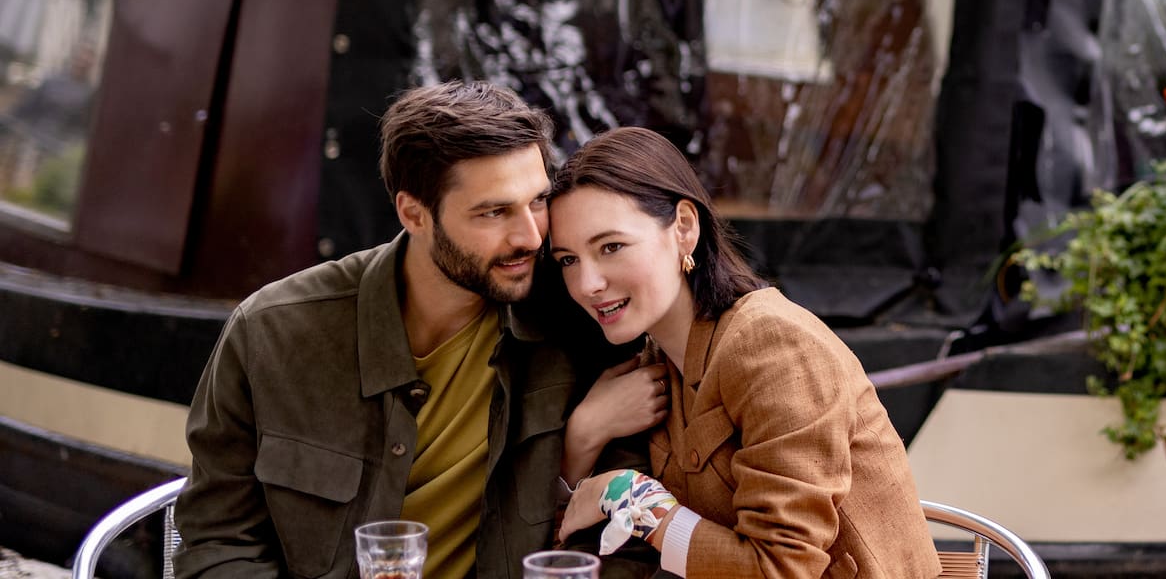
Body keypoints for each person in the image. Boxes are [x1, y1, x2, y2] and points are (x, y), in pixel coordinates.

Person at [174, 81, 662, 579]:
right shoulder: (272, 333)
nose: (530, 236)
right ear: (414, 213)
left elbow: (626, 541)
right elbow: (217, 542)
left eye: (537, 201)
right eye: (493, 212)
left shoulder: (582, 317)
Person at [547, 126, 941, 579]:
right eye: (568, 260)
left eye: (611, 246)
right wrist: (584, 433)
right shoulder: (652, 365)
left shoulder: (774, 346)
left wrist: (633, 500)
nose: (587, 284)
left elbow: (781, 568)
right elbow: (567, 542)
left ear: (684, 228)